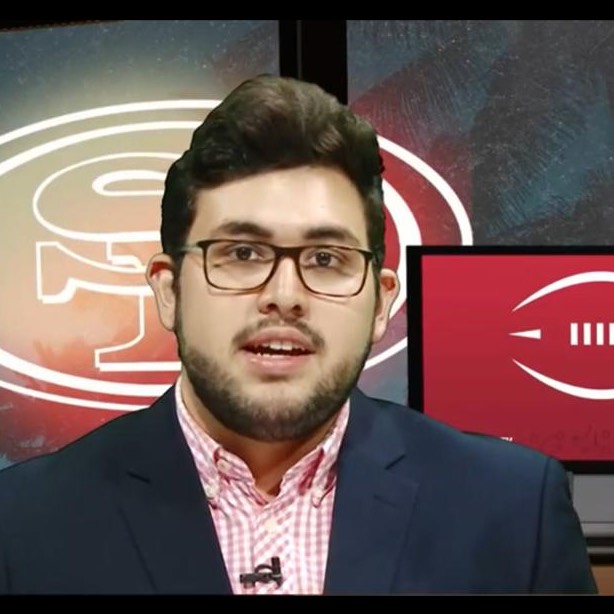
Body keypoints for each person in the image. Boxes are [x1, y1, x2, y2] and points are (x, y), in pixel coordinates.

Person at [0, 74, 598, 595]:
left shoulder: (514, 512)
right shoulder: (23, 525)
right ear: (169, 289)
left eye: (326, 258)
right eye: (241, 253)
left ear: (380, 301)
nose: (285, 294)